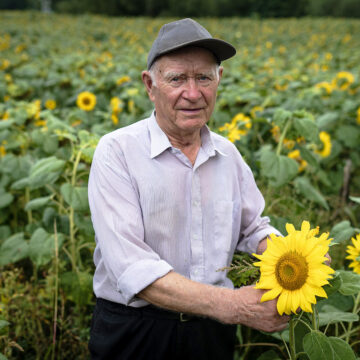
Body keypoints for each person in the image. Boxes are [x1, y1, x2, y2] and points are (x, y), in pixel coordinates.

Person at [88, 18, 290, 360]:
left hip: (210, 334)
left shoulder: (228, 154)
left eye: (204, 78)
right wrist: (235, 306)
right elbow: (132, 268)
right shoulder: (117, 151)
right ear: (150, 85)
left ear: (219, 81)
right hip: (136, 331)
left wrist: (294, 257)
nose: (193, 94)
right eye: (177, 79)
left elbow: (253, 229)